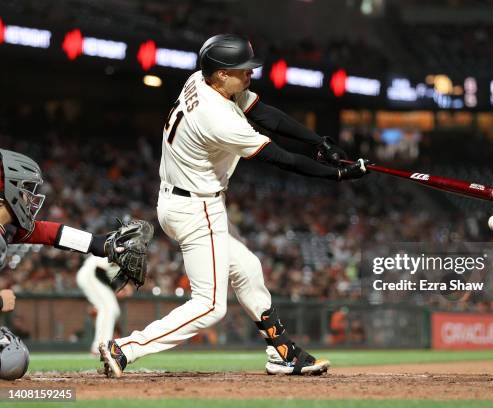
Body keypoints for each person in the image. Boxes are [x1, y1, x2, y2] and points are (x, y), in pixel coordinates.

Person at [99, 34, 368, 378]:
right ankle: (125, 349)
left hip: (178, 200)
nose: (250, 75)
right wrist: (339, 174)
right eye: (243, 70)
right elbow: (281, 158)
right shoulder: (217, 117)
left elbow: (265, 113)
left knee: (247, 268)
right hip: (197, 208)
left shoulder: (201, 79)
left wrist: (318, 142)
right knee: (210, 306)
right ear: (222, 74)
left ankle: (283, 351)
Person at [0, 148, 150, 380]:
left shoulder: (6, 228)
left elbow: (49, 233)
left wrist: (98, 244)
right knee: (11, 357)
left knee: (12, 353)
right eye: (23, 191)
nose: (29, 199)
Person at [77, 255, 133, 355]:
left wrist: (123, 285)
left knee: (112, 310)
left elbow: (113, 272)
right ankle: (100, 347)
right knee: (109, 309)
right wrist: (116, 287)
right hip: (91, 274)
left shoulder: (127, 254)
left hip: (96, 276)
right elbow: (99, 270)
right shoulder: (119, 244)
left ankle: (101, 346)